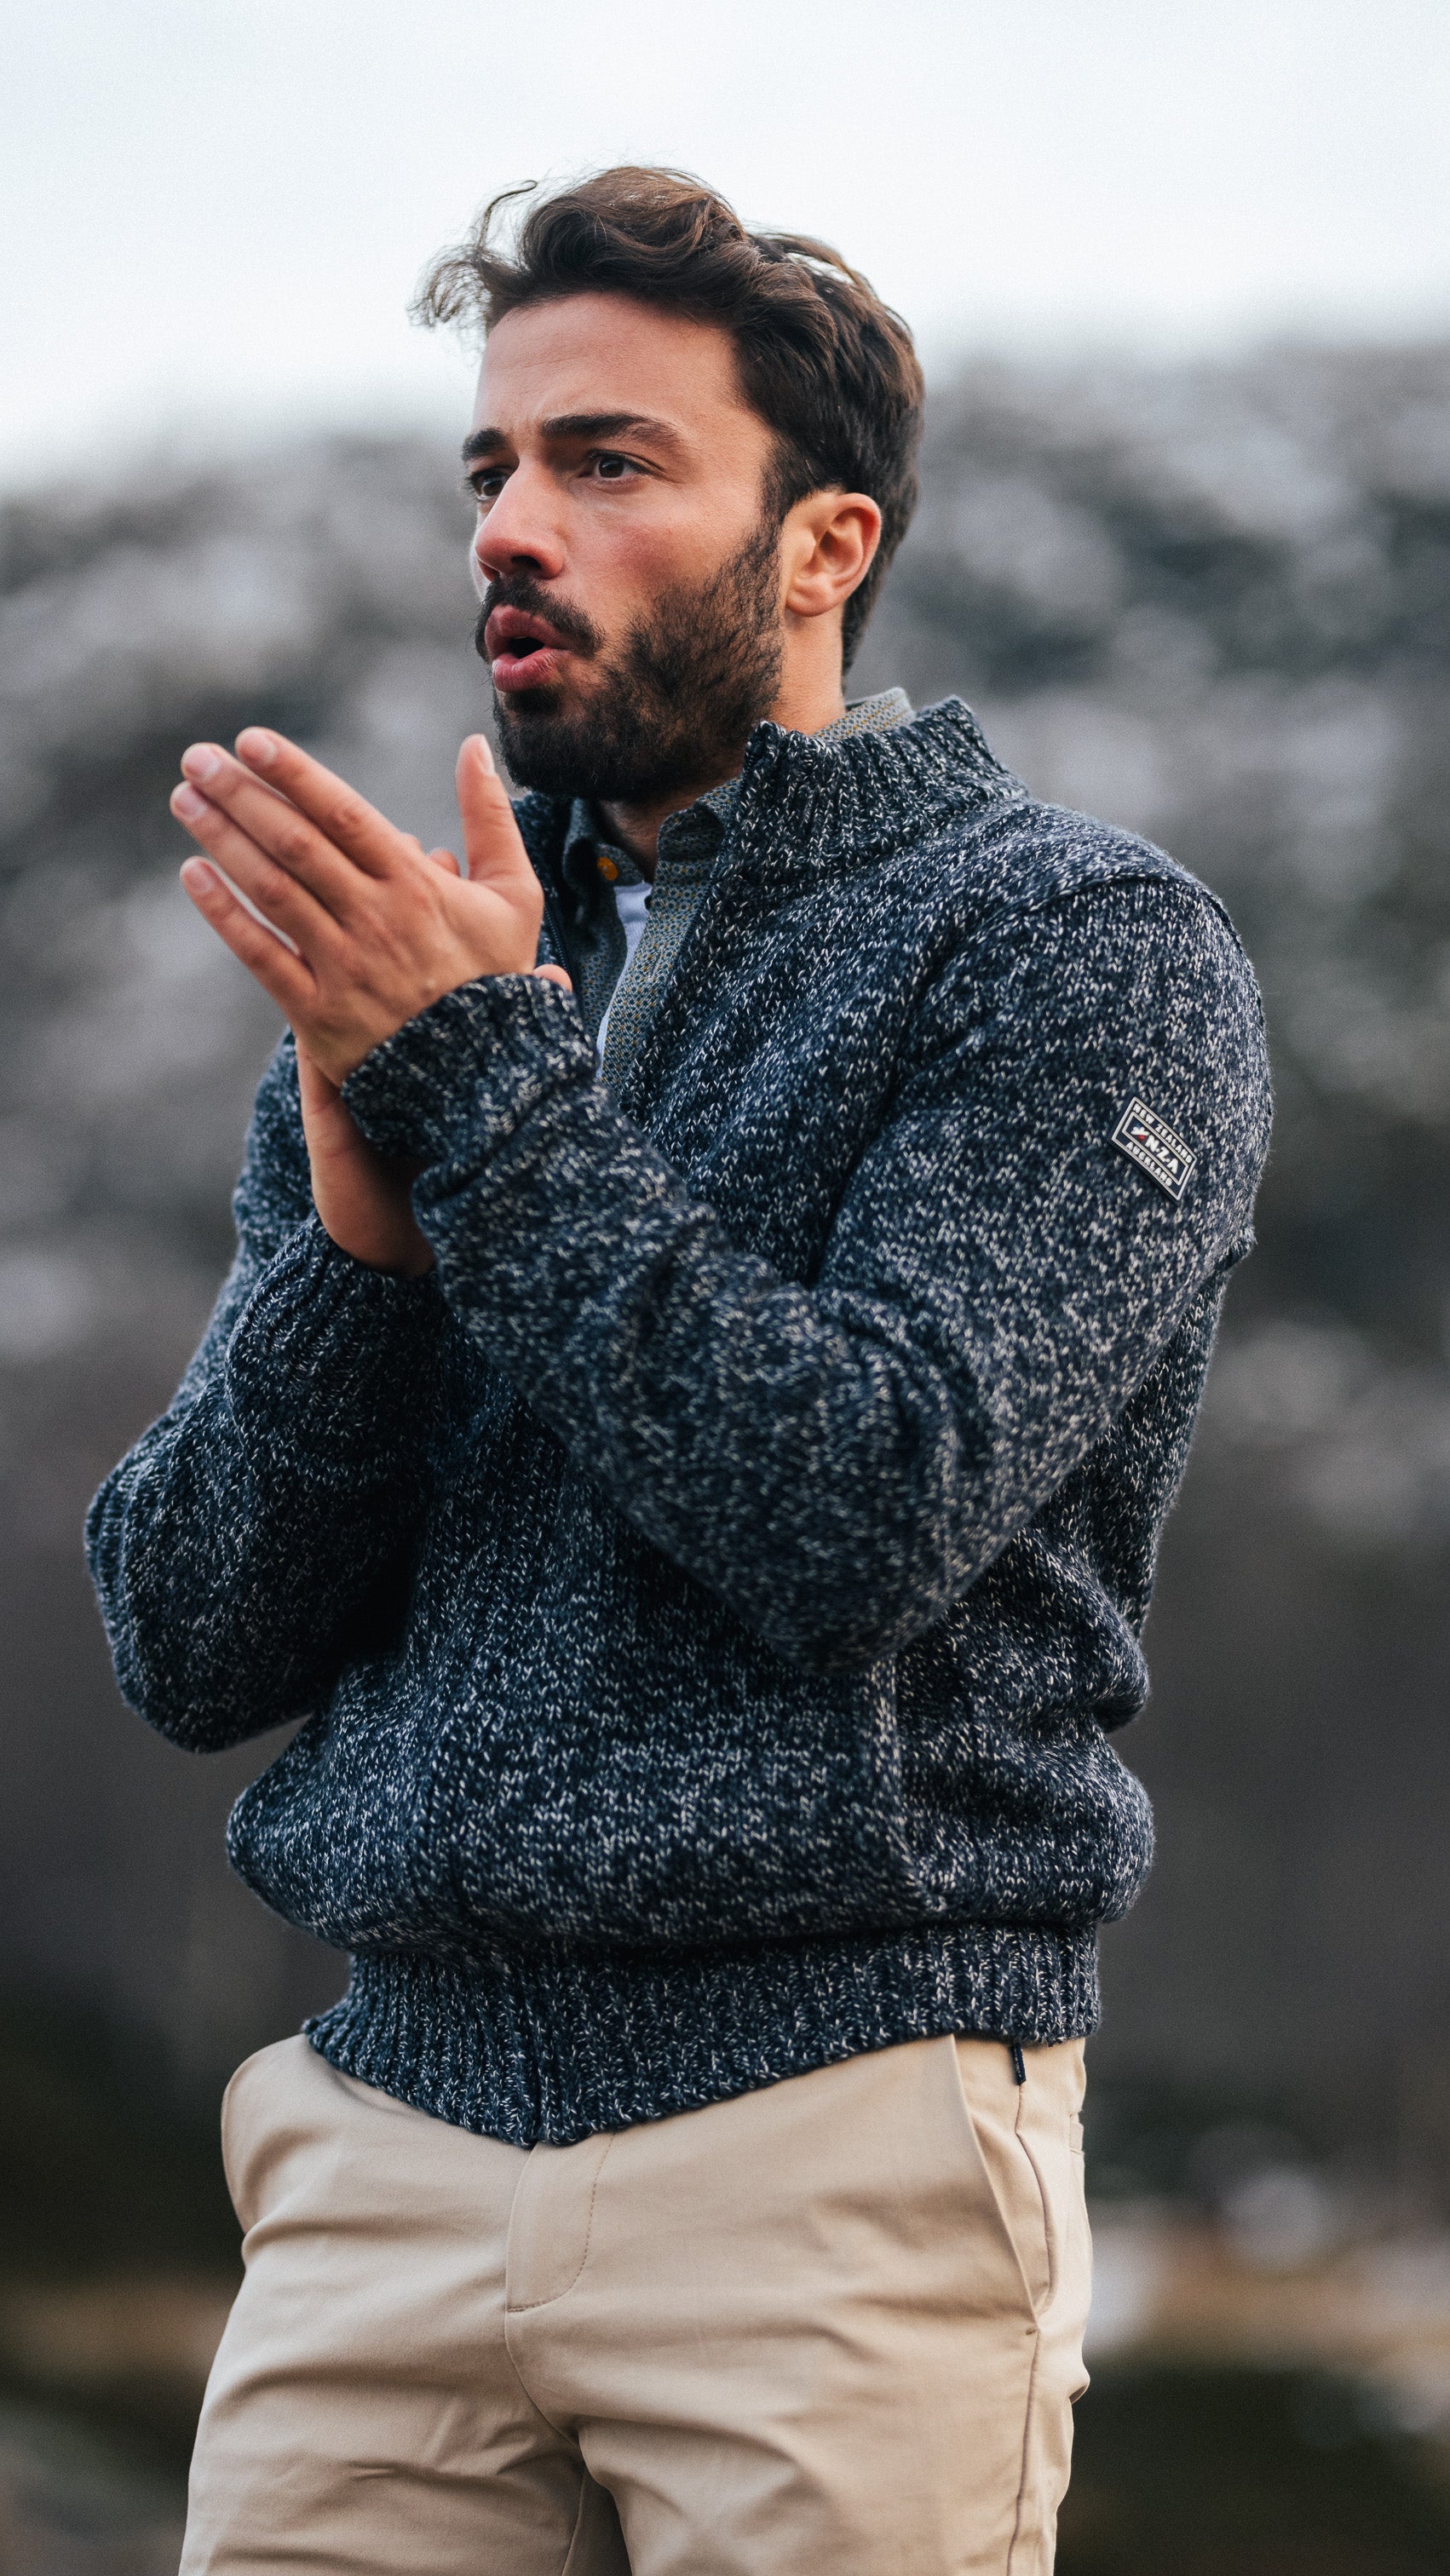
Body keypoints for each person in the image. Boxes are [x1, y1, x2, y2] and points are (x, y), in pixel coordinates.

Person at [87, 166, 1270, 2575]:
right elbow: (191, 1641)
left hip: (835, 2154)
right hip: (376, 2163)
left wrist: (476, 1098)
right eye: (493, 472)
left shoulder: (1078, 951)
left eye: (608, 462)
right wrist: (357, 1220)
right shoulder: (427, 989)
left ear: (822, 544)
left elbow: (858, 1505)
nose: (518, 525)